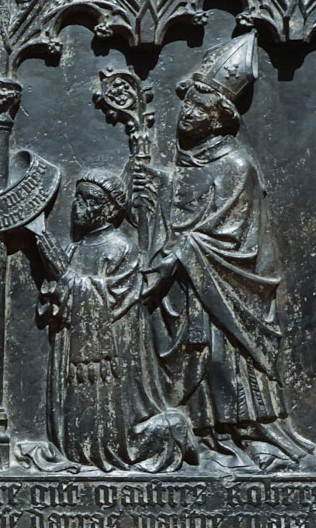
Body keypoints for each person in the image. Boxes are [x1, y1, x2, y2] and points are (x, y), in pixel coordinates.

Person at [129, 34, 316, 473]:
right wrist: (152, 186)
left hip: (230, 292)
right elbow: (180, 207)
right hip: (191, 292)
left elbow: (231, 240)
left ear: (221, 120)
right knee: (200, 362)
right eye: (188, 103)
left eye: (202, 109)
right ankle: (205, 436)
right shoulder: (190, 161)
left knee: (225, 361)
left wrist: (182, 249)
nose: (188, 113)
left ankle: (249, 435)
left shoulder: (237, 165)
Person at [22, 170, 191, 473]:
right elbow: (60, 294)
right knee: (75, 425)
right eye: (77, 198)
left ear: (111, 209)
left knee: (105, 425)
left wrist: (47, 247)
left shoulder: (121, 248)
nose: (79, 206)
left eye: (90, 200)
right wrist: (58, 280)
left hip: (108, 351)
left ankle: (163, 434)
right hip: (71, 346)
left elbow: (110, 299)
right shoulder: (75, 248)